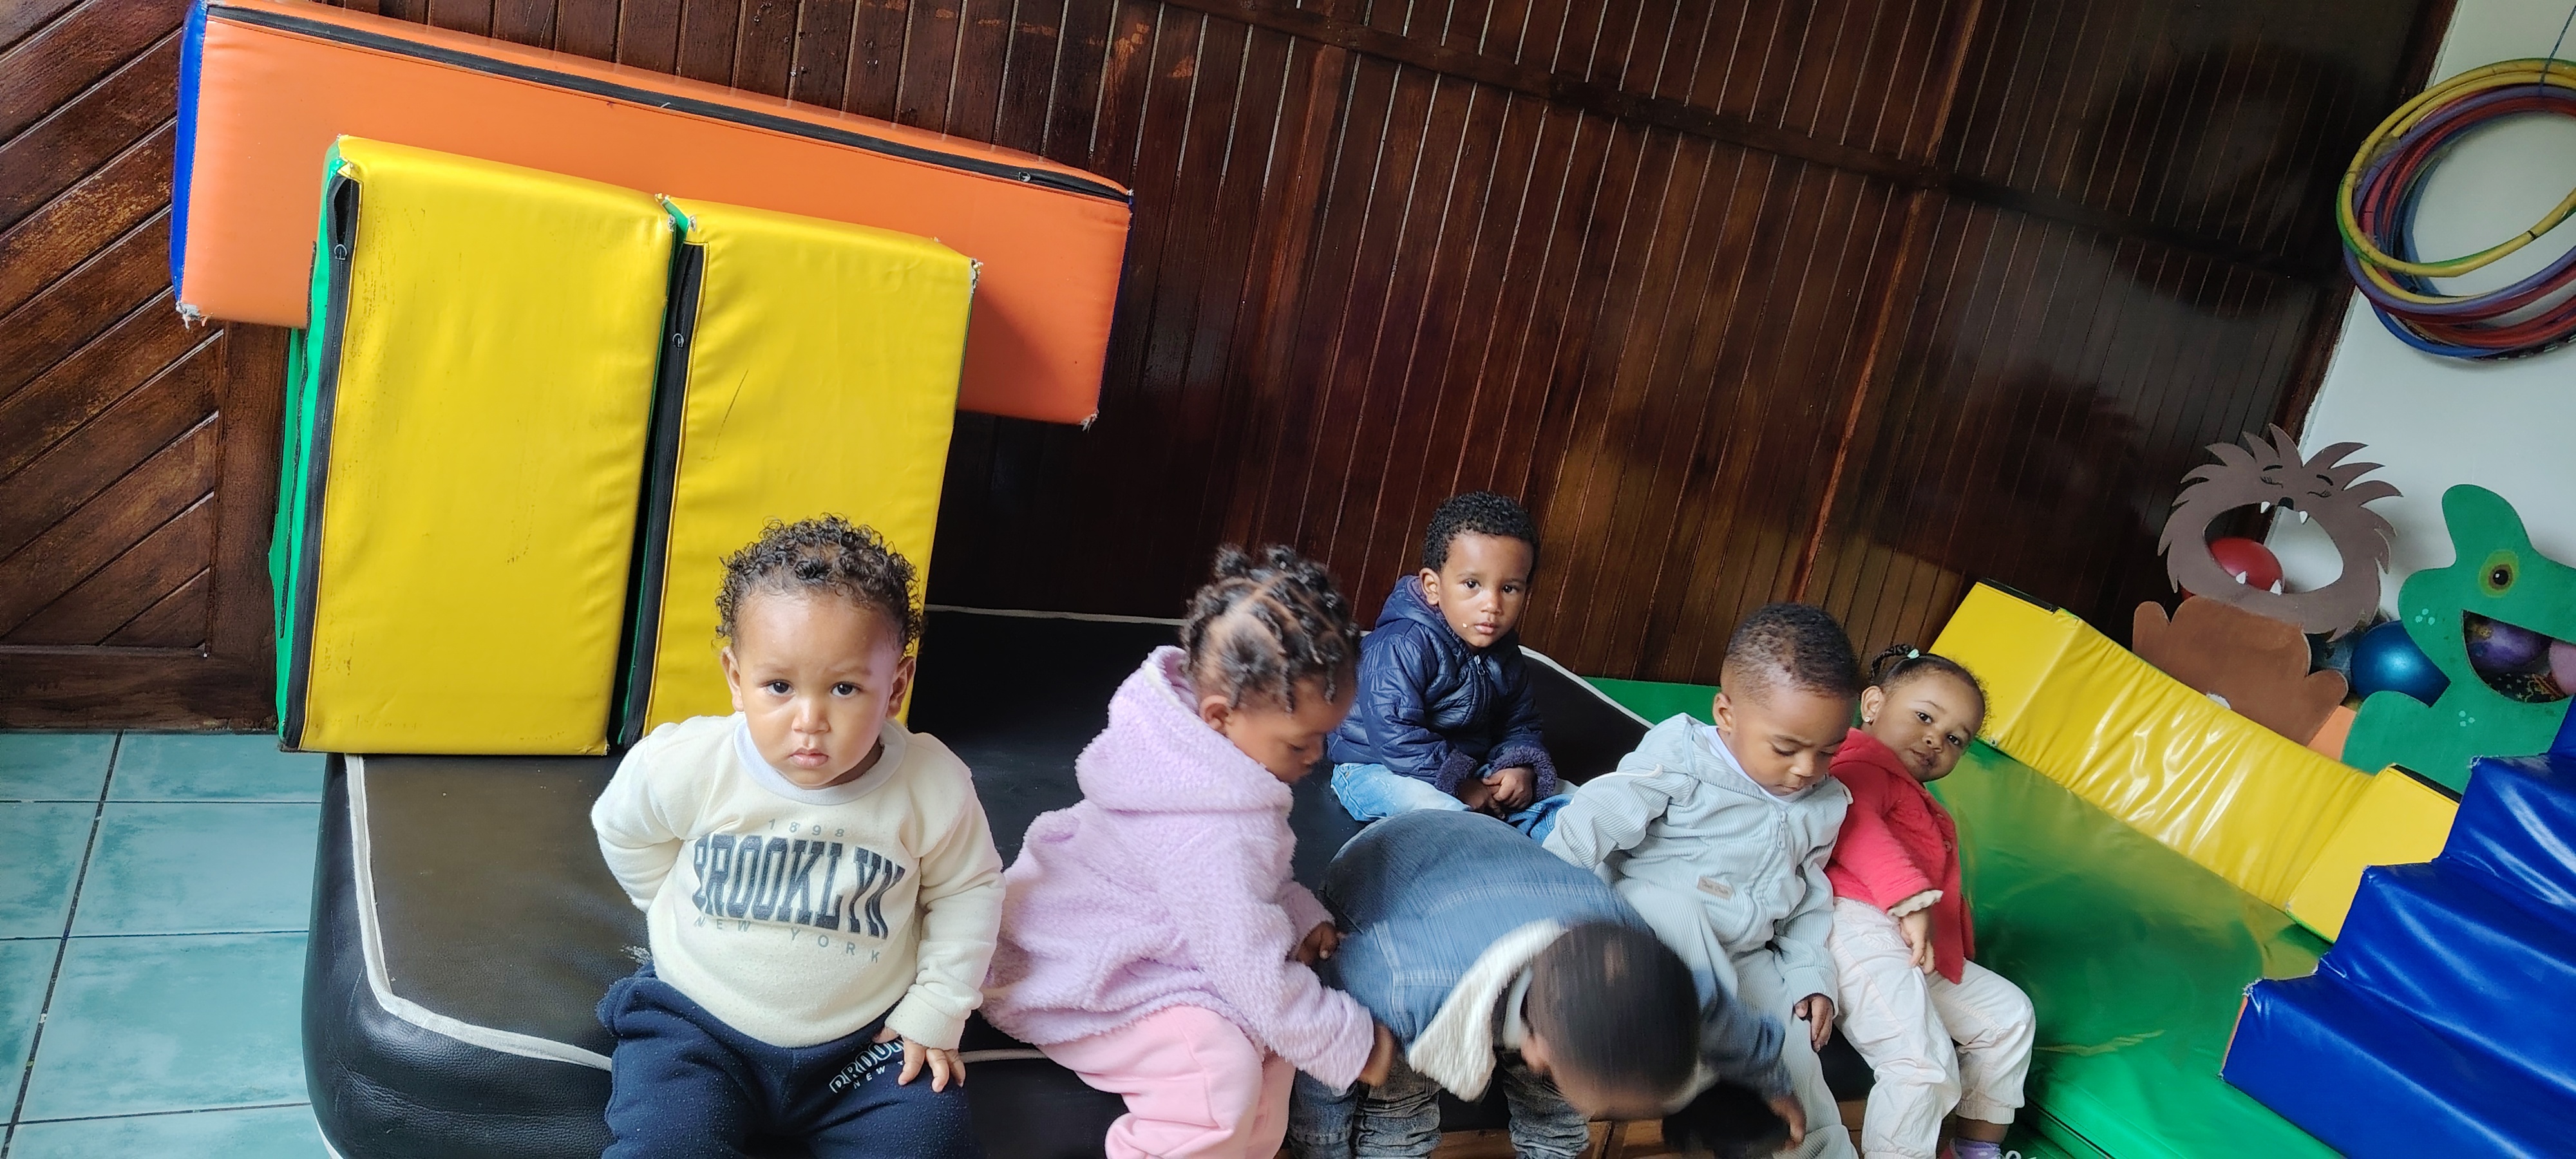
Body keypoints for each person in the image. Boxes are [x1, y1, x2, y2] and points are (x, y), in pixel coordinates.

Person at [589, 516, 1004, 1158]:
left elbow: (969, 891)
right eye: (779, 687)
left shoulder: (933, 784)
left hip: (864, 1045)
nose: (809, 721)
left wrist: (935, 1009)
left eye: (844, 688)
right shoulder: (687, 763)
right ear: (736, 678)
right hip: (700, 1029)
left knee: (927, 1142)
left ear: (895, 686)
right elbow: (623, 827)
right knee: (666, 1142)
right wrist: (664, 902)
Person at [981, 545, 1399, 1159]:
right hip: (1081, 965)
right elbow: (1249, 963)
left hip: (1157, 932)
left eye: (1324, 738)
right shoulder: (1209, 829)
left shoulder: (1201, 755)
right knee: (1216, 1073)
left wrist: (1297, 912)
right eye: (1300, 743)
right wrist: (1346, 1040)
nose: (1316, 758)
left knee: (1273, 1053)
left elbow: (1247, 886)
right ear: (1219, 715)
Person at [1289, 809, 1804, 1159]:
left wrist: (1772, 1084)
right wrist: (1320, 1148)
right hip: (1382, 867)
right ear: (1536, 1051)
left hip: (1495, 862)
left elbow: (1713, 1010)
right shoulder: (1405, 986)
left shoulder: (1639, 964)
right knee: (1398, 1103)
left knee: (1558, 1111)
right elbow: (1325, 1041)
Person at [1544, 603, 1864, 1159]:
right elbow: (1592, 821)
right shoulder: (1683, 759)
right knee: (1678, 915)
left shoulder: (1825, 802)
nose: (1806, 769)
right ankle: (1703, 1077)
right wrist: (1540, 905)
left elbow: (1810, 894)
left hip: (1747, 952)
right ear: (1726, 714)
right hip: (1653, 930)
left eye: (1828, 753)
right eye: (1786, 748)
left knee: (1798, 1067)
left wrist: (1811, 974)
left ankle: (1823, 1149)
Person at [1826, 647, 2034, 1159]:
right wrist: (1908, 897)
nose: (1935, 739)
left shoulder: (1913, 794)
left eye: (1955, 739)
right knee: (1921, 1063)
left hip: (1909, 947)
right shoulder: (1857, 764)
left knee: (2009, 1017)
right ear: (1872, 705)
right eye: (1924, 717)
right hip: (1854, 926)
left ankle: (1975, 1150)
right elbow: (1854, 826)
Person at [1326, 491, 1570, 838]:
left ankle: (1571, 839)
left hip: (1465, 768)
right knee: (1437, 807)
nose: (1492, 604)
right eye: (1472, 584)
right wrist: (1462, 785)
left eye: (1510, 589)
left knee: (1561, 800)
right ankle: (1484, 850)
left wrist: (1520, 768)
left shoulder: (1506, 653)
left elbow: (1520, 723)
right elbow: (1395, 733)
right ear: (1433, 587)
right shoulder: (1402, 643)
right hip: (1375, 768)